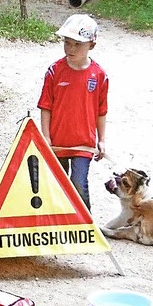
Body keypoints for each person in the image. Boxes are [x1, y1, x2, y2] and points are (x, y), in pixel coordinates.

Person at [37, 14, 108, 211]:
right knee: (57, 185)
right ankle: (61, 224)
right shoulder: (54, 71)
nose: (71, 49)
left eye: (77, 44)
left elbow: (102, 111)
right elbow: (45, 106)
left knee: (78, 184)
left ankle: (86, 226)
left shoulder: (99, 75)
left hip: (83, 144)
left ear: (91, 45)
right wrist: (46, 137)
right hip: (57, 143)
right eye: (67, 43)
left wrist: (101, 140)